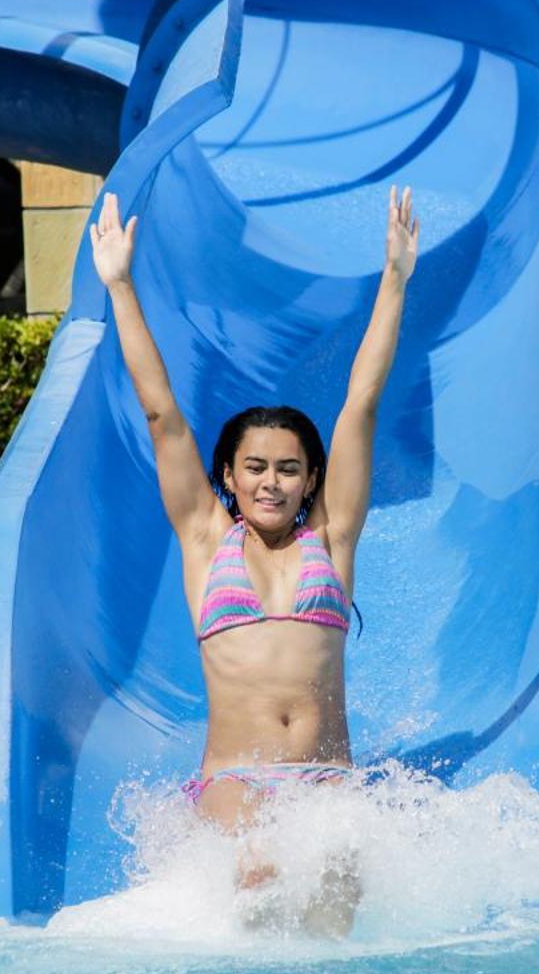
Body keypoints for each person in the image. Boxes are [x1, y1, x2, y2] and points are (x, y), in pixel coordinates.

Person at [90, 185, 418, 929]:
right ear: (230, 477)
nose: (272, 480)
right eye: (257, 467)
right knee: (261, 871)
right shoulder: (208, 539)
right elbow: (161, 411)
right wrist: (119, 285)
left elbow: (361, 404)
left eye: (290, 467)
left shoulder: (331, 538)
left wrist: (394, 279)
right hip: (236, 781)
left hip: (327, 778)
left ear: (310, 479)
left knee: (335, 888)